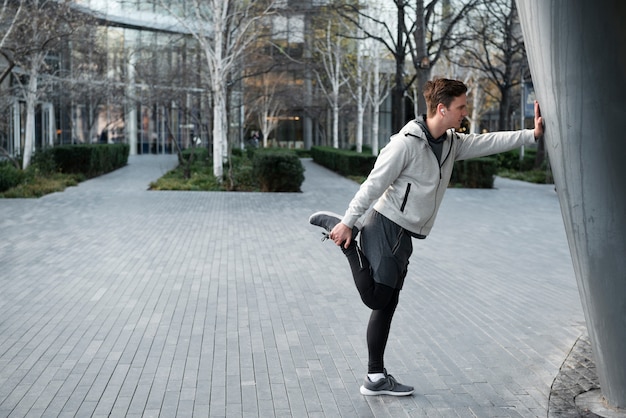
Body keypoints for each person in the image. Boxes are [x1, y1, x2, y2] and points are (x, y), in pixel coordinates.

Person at [309, 78, 544, 397]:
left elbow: (487, 143)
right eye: (461, 107)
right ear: (442, 108)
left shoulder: (450, 143)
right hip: (385, 224)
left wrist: (532, 135)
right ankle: (346, 243)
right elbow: (373, 184)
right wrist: (349, 222)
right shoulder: (405, 143)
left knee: (387, 304)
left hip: (404, 233)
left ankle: (375, 378)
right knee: (377, 298)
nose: (465, 113)